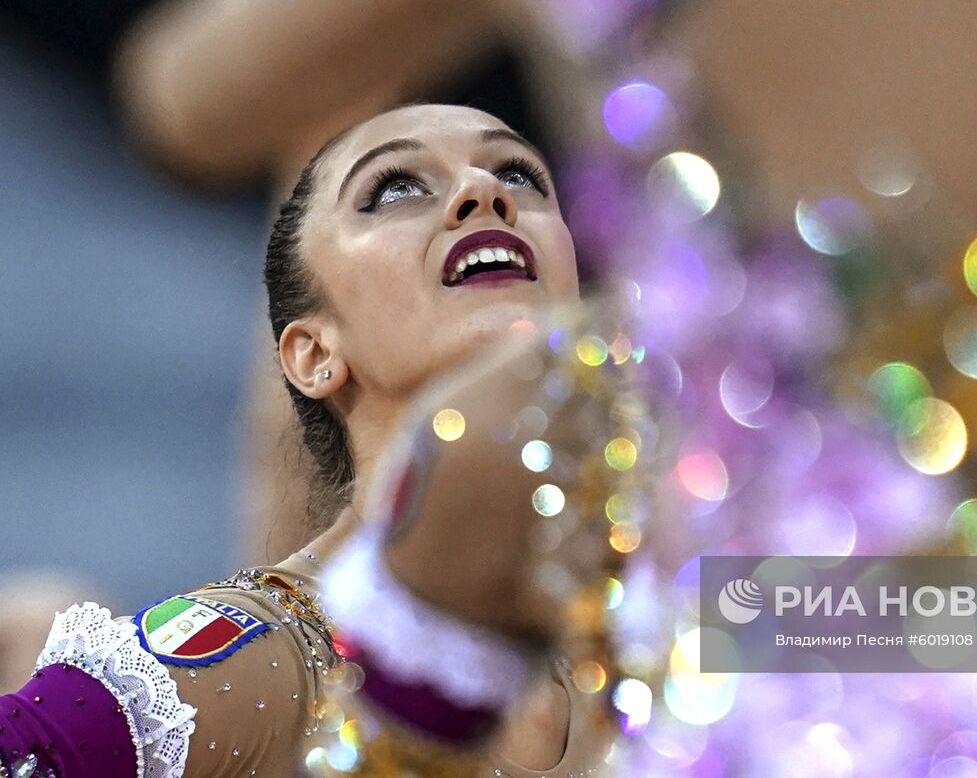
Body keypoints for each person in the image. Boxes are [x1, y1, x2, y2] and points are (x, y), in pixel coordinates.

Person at [0, 104, 619, 777]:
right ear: (313, 353)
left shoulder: (687, 609)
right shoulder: (265, 657)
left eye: (521, 175)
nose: (484, 190)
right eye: (396, 188)